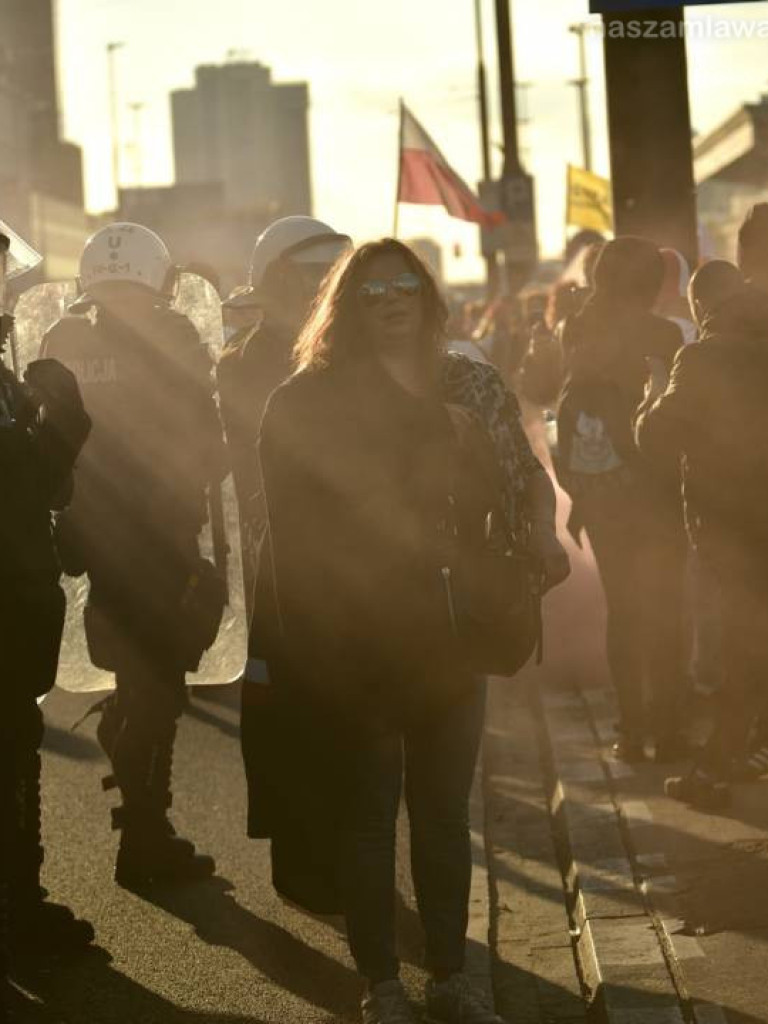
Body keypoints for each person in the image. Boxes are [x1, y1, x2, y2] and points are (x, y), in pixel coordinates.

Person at [243, 238, 567, 1024]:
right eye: (372, 289)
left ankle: (452, 978)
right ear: (344, 305)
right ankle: (382, 986)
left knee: (444, 815)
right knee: (366, 820)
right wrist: (302, 656)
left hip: (448, 636)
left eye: (404, 286)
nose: (390, 300)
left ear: (427, 297)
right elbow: (285, 540)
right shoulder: (300, 402)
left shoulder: (465, 383)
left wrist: (529, 549)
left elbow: (516, 487)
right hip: (353, 643)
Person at [41, 223, 227, 888]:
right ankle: (146, 839)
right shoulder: (172, 335)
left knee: (135, 681)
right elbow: (206, 437)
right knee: (160, 689)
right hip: (161, 539)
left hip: (91, 539)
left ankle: (141, 808)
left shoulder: (63, 338)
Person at [0, 227, 94, 1014]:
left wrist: (55, 431)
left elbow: (49, 493)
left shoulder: (3, 374)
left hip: (21, 601)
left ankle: (20, 909)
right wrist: (49, 436)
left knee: (16, 755)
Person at [637, 259, 768, 808]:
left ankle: (715, 770)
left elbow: (656, 438)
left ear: (701, 306)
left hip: (732, 527)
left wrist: (653, 391)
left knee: (739, 648)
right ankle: (736, 754)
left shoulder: (701, 355)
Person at [555, 236, 687, 762]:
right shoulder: (662, 334)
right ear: (653, 283)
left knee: (625, 611)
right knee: (667, 612)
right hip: (656, 491)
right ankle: (670, 730)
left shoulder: (578, 331)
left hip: (603, 494)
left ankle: (631, 728)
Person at [217, 216, 351, 619]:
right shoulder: (246, 361)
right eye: (317, 276)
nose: (328, 289)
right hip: (284, 547)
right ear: (279, 281)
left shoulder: (347, 354)